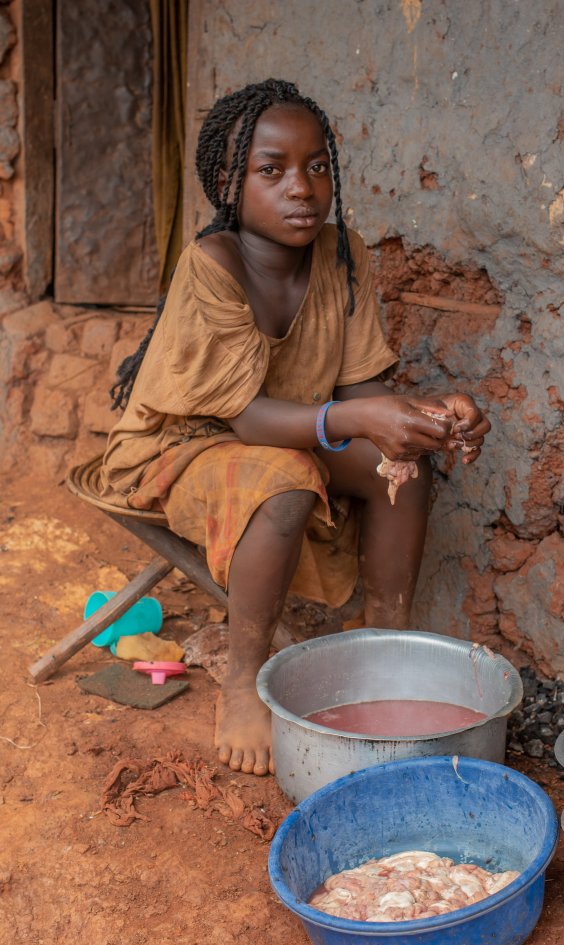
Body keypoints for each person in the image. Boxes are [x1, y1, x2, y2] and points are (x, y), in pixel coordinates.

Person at [99, 78, 490, 778]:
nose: (301, 188)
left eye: (316, 166)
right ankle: (245, 682)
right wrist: (356, 416)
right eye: (271, 170)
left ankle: (383, 647)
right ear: (228, 180)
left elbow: (360, 390)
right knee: (284, 481)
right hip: (180, 447)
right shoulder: (212, 266)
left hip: (288, 435)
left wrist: (425, 417)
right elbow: (243, 413)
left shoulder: (343, 256)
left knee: (395, 464)